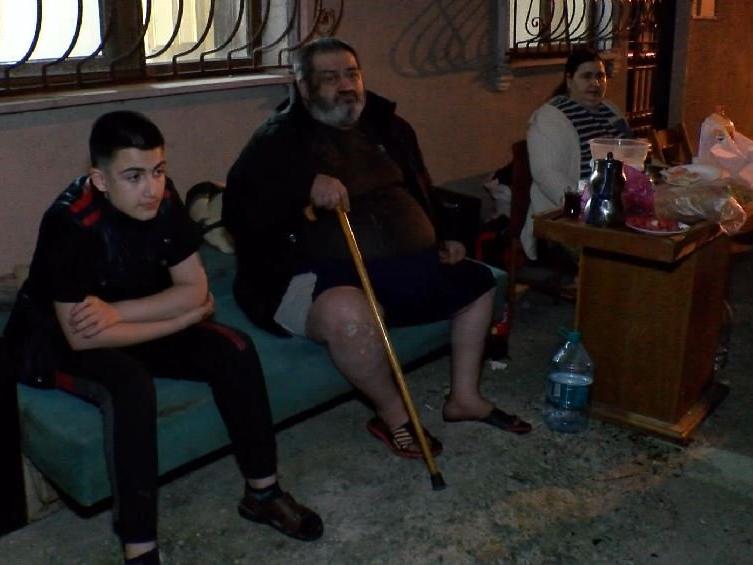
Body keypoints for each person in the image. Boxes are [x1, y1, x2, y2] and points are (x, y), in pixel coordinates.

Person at [3, 111, 322, 564]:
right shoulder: (69, 222)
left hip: (122, 312)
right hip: (58, 339)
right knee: (131, 386)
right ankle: (140, 549)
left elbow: (194, 288)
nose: (151, 188)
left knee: (234, 349)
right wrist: (181, 318)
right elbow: (84, 337)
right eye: (133, 176)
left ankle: (263, 494)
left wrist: (121, 312)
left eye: (157, 171)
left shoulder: (164, 199)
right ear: (100, 179)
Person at [223, 37, 532, 462]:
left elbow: (420, 188)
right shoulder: (277, 140)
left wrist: (444, 236)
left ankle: (464, 398)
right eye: (330, 78)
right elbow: (239, 211)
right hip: (316, 276)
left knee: (479, 282)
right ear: (303, 86)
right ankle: (393, 415)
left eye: (351, 74)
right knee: (350, 315)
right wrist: (302, 188)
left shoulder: (388, 127)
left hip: (401, 265)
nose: (345, 85)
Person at [521, 47, 633, 260]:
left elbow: (629, 151)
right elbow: (546, 175)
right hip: (564, 221)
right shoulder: (549, 118)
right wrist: (588, 207)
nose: (595, 83)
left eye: (600, 76)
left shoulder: (611, 111)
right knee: (624, 253)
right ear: (569, 80)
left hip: (614, 210)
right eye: (586, 76)